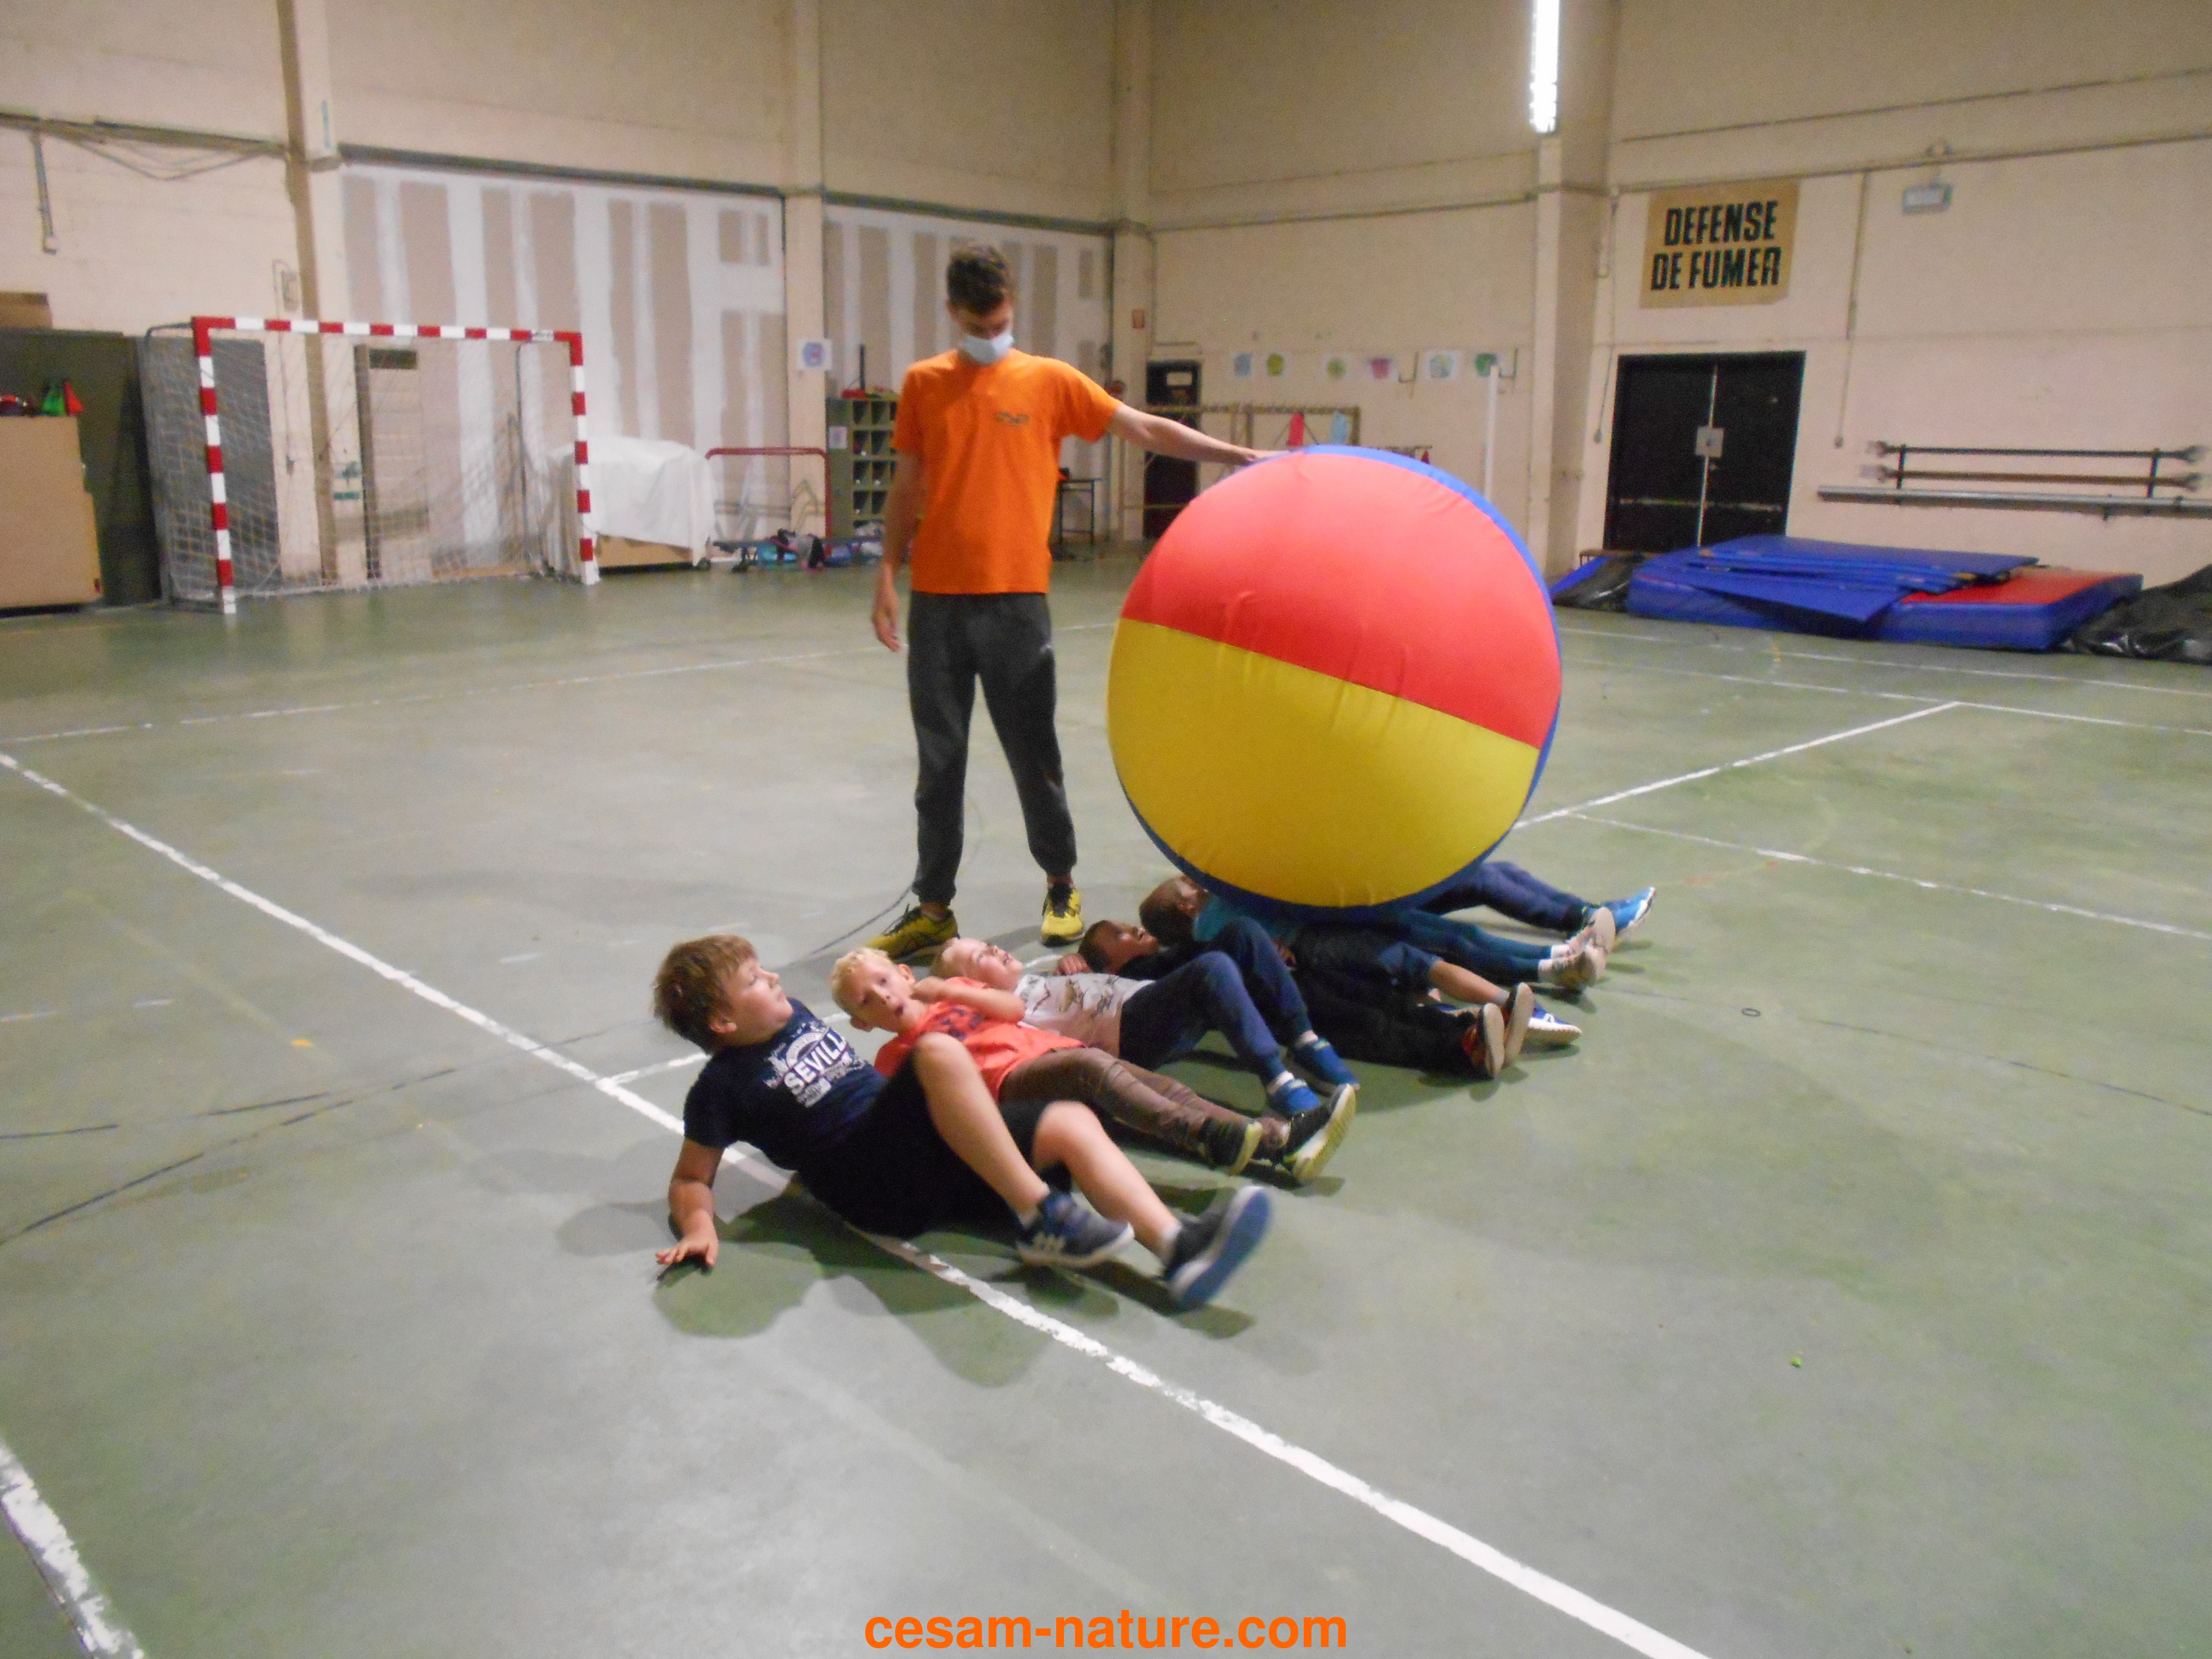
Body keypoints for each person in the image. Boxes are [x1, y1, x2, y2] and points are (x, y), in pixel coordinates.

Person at [865, 243, 1268, 962]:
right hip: (938, 607)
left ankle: (1060, 883)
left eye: (1000, 320)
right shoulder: (924, 384)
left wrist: (1235, 456)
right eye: (979, 323)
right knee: (939, 764)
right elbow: (906, 484)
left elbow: (1142, 426)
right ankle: (932, 907)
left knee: (1035, 756)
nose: (992, 332)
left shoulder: (1049, 381)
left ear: (1012, 305)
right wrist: (887, 572)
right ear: (953, 312)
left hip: (1017, 606)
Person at [650, 935, 1260, 1310]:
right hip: (871, 1182)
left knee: (1070, 1120)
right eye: (755, 981)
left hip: (920, 1153)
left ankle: (1177, 1248)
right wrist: (699, 1226)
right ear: (724, 1023)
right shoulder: (720, 1089)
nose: (775, 978)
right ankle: (1042, 1215)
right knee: (937, 1051)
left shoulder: (797, 1015)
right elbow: (690, 1178)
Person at [828, 949, 1273, 1307]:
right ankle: (1204, 1138)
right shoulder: (894, 1061)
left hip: (1054, 1052)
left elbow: (1013, 1007)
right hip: (1010, 1086)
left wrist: (947, 989)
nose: (883, 996)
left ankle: (1265, 1140)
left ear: (906, 975)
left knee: (1154, 1086)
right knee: (1089, 1070)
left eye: (884, 981)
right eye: (866, 1000)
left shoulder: (956, 992)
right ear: (862, 1024)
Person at [931, 935, 1355, 1182]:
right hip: (1129, 1032)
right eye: (981, 957)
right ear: (969, 986)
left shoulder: (1036, 980)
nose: (996, 950)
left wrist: (1073, 964)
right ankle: (1280, 1084)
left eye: (989, 946)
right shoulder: (1003, 1015)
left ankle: (1304, 1042)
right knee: (1211, 970)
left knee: (1240, 936)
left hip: (1143, 996)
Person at [1136, 876, 1544, 1078]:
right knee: (1382, 1013)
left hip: (1305, 969)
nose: (1196, 883)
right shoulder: (1210, 928)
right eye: (1187, 885)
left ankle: (1476, 1032)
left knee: (1389, 1001)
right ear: (1185, 908)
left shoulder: (1204, 938)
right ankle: (1473, 1044)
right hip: (1306, 968)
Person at [1422, 860, 1656, 942]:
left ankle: (1590, 910)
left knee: (1504, 869)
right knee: (1481, 880)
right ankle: (1581, 921)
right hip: (1401, 900)